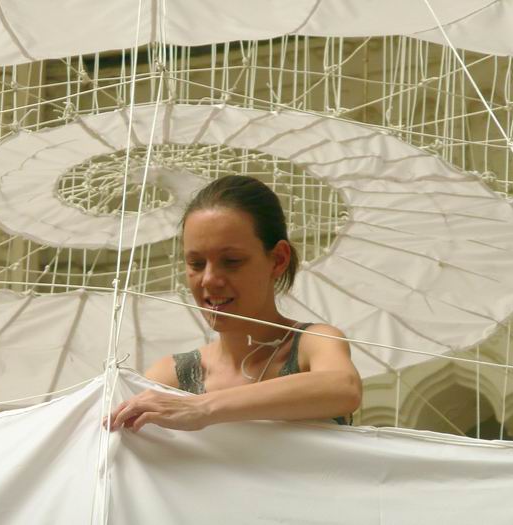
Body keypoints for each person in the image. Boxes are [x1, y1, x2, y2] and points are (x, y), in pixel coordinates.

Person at [105, 175, 361, 432]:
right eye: (196, 264)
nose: (209, 279)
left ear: (278, 260)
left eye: (231, 261)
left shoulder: (313, 343)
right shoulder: (170, 377)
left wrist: (201, 407)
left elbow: (343, 387)